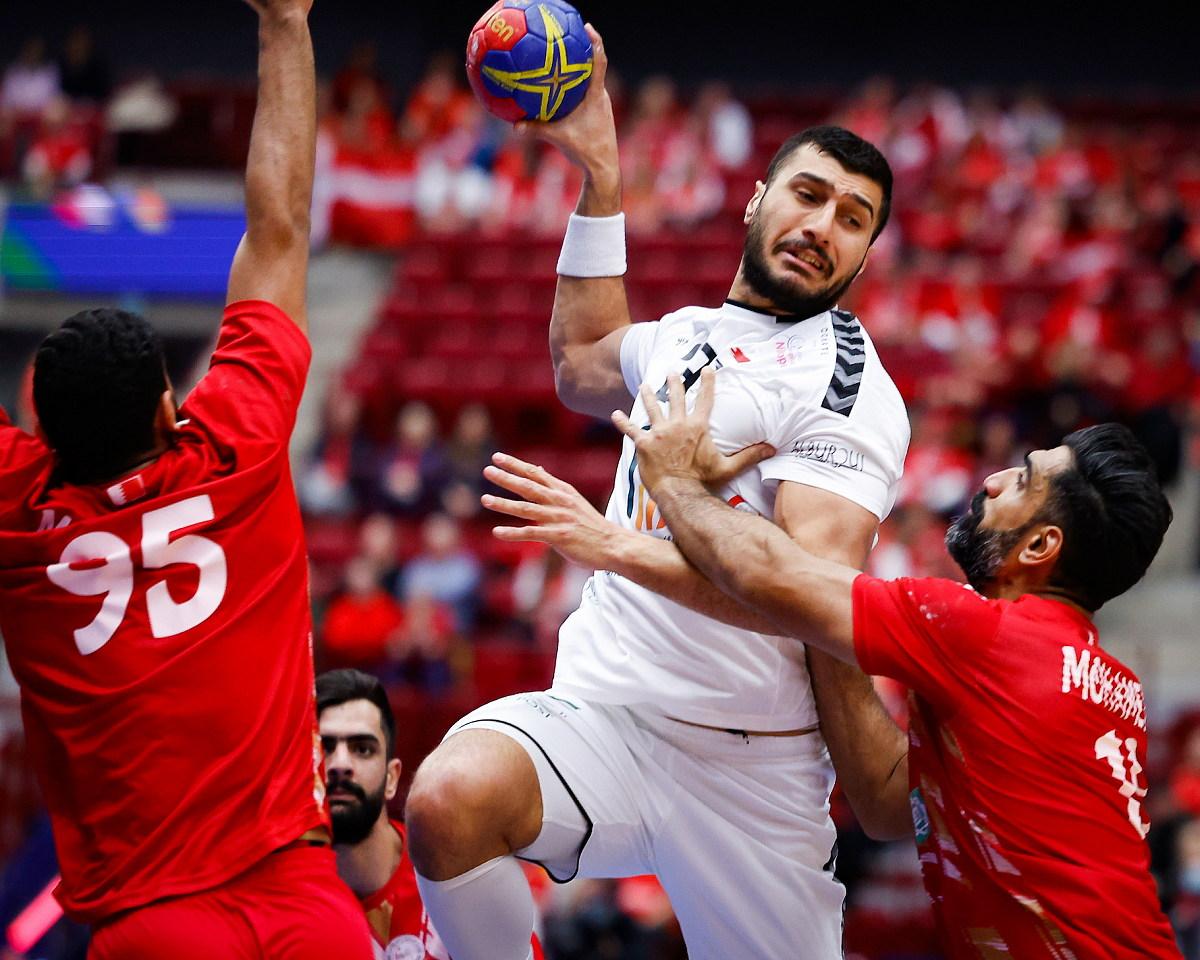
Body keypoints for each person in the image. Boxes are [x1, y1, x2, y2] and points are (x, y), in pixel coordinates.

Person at [405, 23, 912, 960]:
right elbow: (584, 362)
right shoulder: (686, 332)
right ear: (757, 201)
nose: (822, 227)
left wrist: (611, 545)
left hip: (748, 768)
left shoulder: (847, 392)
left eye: (852, 219)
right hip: (607, 714)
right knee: (446, 799)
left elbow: (813, 605)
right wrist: (601, 177)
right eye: (808, 195)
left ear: (864, 257)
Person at [482, 370, 1181, 959]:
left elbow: (766, 572)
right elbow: (882, 800)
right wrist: (819, 623)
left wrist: (667, 491)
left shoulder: (986, 635)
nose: (994, 479)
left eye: (1022, 480)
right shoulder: (1103, 681)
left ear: (1040, 547)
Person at [0, 2, 374, 957]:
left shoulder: (17, 513)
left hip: (145, 923)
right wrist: (286, 23)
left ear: (36, 431)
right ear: (172, 410)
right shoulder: (236, 447)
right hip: (303, 898)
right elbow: (280, 223)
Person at [316, 669, 543, 960]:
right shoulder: (282, 899)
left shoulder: (458, 869)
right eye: (326, 747)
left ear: (392, 779)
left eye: (362, 749)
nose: (340, 764)